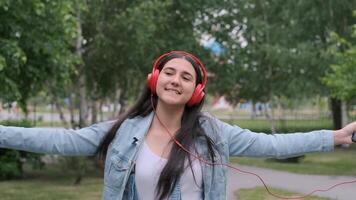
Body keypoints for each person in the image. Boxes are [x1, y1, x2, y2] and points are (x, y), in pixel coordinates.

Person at [0, 50, 355, 200]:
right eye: (169, 72)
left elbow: (273, 146)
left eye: (186, 76)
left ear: (196, 91)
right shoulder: (123, 130)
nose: (175, 80)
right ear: (155, 79)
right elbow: (59, 140)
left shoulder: (214, 133)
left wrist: (336, 136)